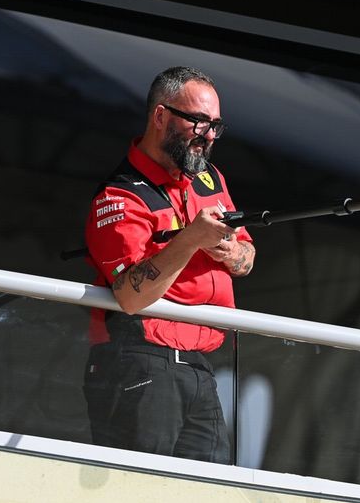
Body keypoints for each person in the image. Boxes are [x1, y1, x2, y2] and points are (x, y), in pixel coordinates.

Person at [82, 66, 255, 464]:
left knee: (208, 491)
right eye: (198, 122)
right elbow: (129, 294)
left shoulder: (209, 179)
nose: (209, 136)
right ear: (160, 117)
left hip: (199, 365)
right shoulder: (119, 195)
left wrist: (226, 249)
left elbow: (246, 259)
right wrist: (191, 239)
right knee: (140, 489)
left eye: (215, 125)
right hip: (139, 359)